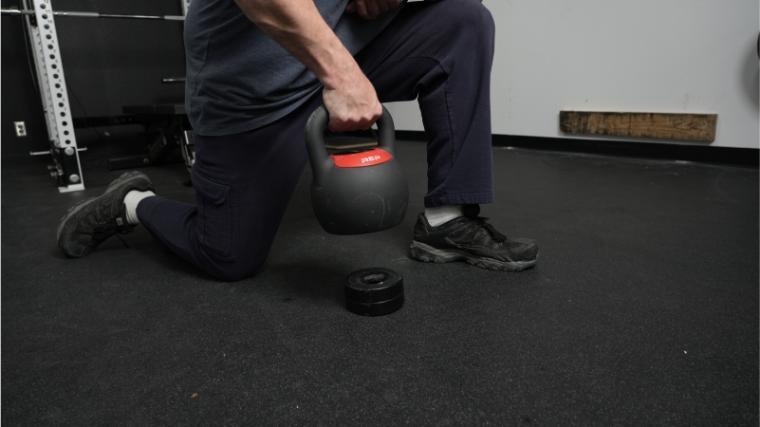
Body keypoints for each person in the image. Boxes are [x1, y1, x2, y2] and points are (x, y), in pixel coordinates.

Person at [57, 0, 539, 281]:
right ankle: (133, 202)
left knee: (462, 21)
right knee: (226, 256)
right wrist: (342, 76)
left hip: (341, 52)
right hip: (251, 97)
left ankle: (446, 219)